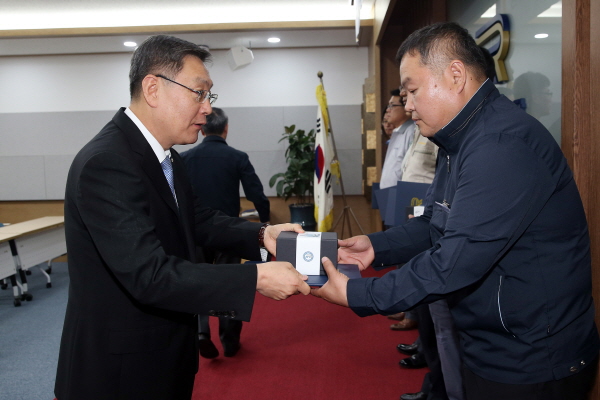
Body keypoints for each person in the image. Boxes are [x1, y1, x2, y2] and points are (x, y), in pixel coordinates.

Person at [312, 22, 599, 400]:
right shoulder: (459, 139)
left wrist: (360, 293)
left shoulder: (501, 145)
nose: (408, 105)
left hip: (532, 359)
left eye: (412, 91)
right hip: (494, 344)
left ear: (456, 75)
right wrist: (375, 247)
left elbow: (455, 261)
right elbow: (435, 223)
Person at [55, 34, 310, 400]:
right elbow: (150, 275)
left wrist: (261, 236)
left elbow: (198, 219)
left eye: (210, 96)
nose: (207, 108)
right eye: (199, 93)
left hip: (163, 352)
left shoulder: (167, 156)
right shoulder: (107, 162)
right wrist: (254, 276)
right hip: (120, 372)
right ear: (153, 89)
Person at [181, 107, 270, 358]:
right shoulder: (237, 157)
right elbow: (256, 194)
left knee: (197, 281)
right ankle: (230, 342)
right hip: (229, 232)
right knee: (230, 284)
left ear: (202, 127)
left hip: (195, 232)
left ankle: (201, 332)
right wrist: (265, 223)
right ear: (226, 128)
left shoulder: (185, 159)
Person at [379, 88, 415, 190]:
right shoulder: (396, 132)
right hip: (389, 193)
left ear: (405, 106)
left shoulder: (411, 131)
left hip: (400, 193)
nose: (387, 109)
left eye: (392, 105)